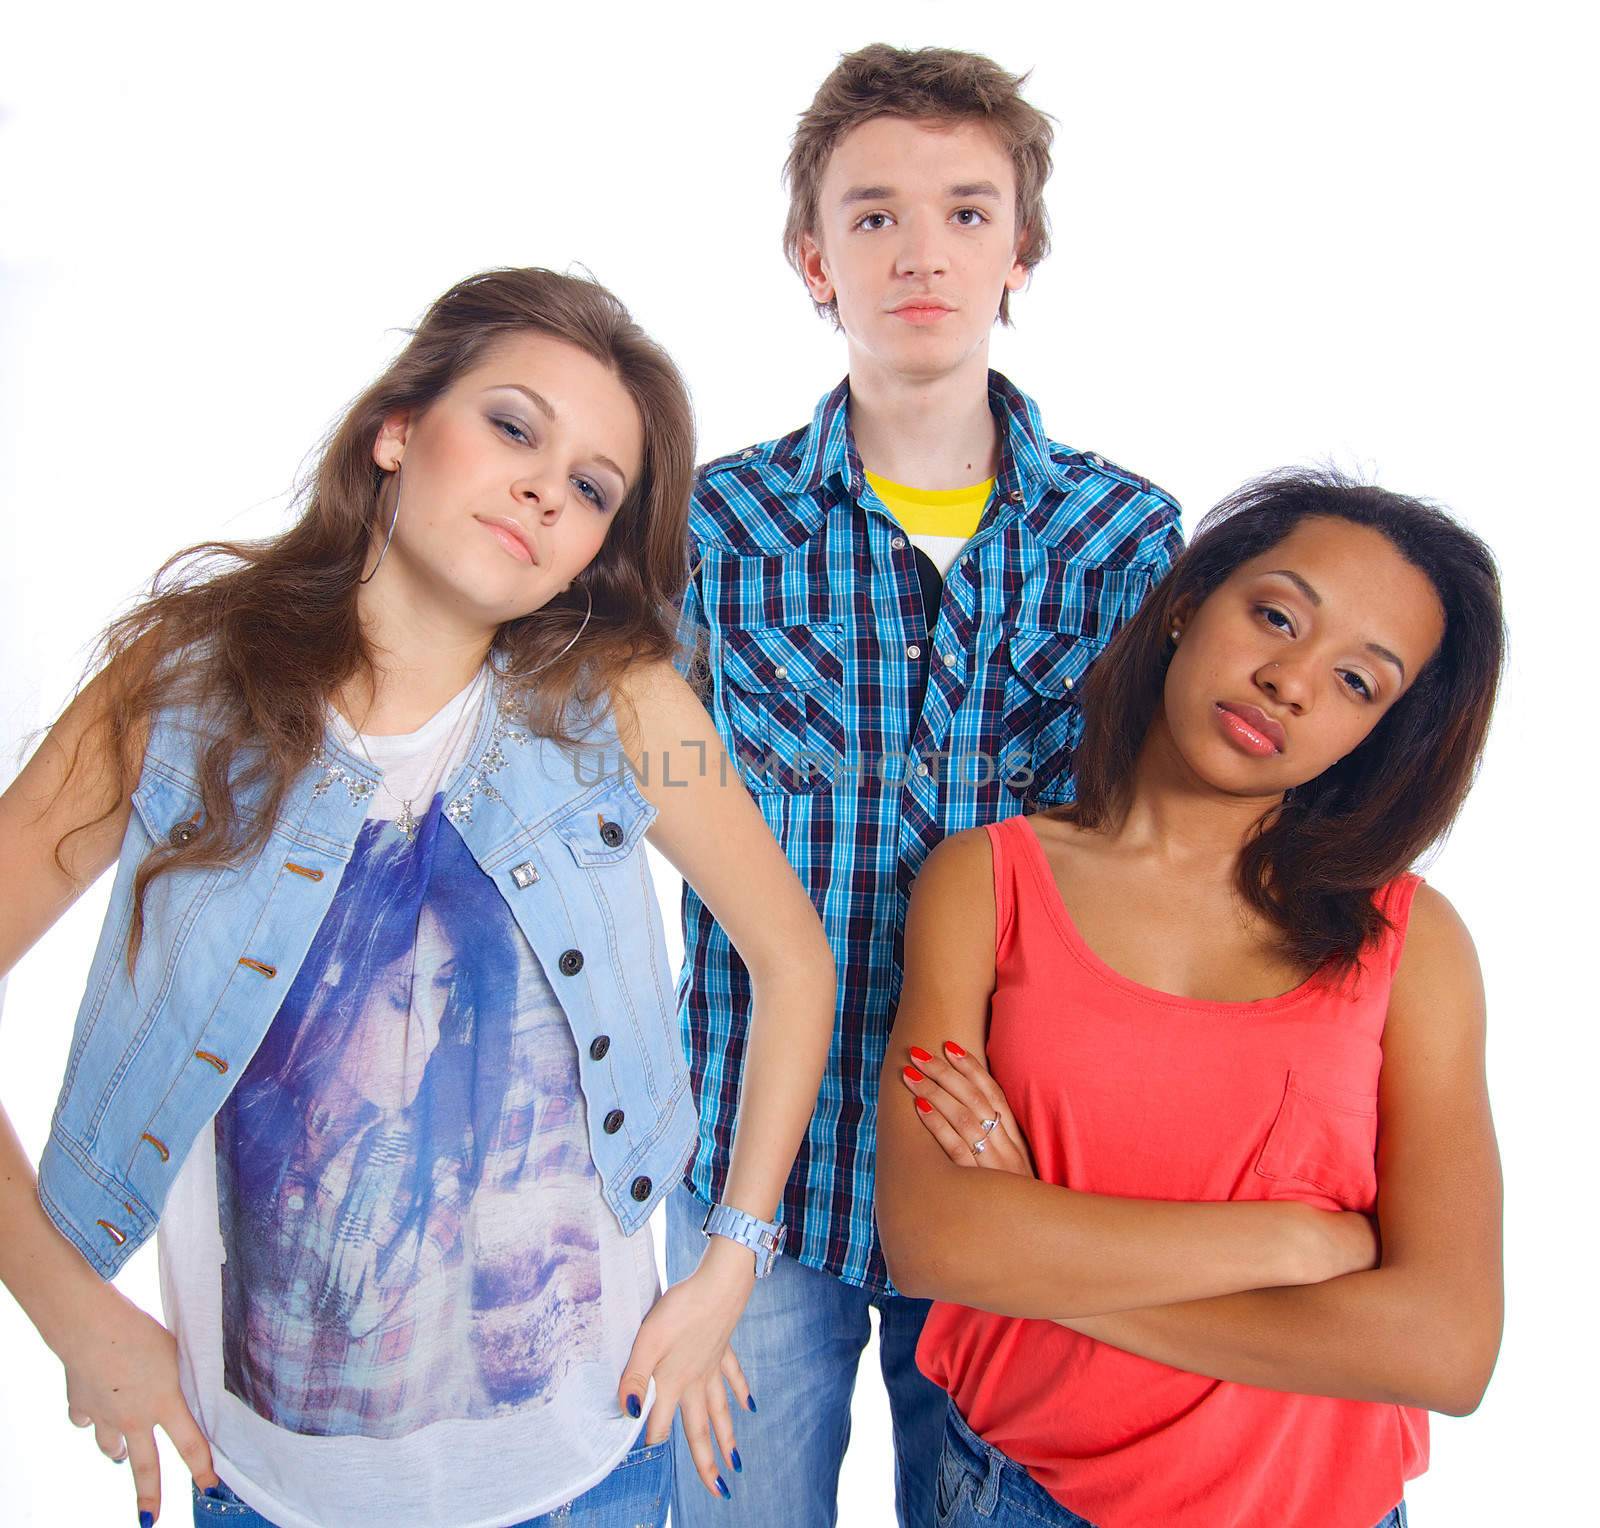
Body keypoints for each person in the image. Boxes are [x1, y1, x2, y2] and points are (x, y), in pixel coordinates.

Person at [0, 267, 837, 1528]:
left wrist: (729, 1262)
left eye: (594, 487)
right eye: (514, 426)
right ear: (397, 430)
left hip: (592, 1477)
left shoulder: (623, 707)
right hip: (265, 1491)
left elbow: (793, 962)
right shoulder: (173, 695)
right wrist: (75, 1317)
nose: (548, 486)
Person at [669, 42, 1182, 1528]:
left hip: (1014, 1167)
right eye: (873, 212)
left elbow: (1150, 844)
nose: (921, 252)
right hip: (755, 1165)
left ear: (1022, 249)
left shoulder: (1122, 535)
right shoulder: (717, 528)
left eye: (968, 211)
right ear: (810, 256)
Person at [877, 471, 1506, 1527]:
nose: (1290, 681)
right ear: (1184, 604)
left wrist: (1042, 1262)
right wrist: (1296, 1246)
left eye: (1358, 682)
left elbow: (1443, 1348)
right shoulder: (984, 881)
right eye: (1274, 616)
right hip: (1011, 1497)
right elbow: (937, 1241)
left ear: (1379, 734)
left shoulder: (1411, 942)